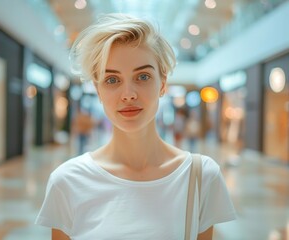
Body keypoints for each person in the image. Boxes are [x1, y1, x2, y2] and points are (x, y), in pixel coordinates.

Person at [35, 14, 236, 240]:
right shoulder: (68, 181)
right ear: (98, 89)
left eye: (142, 76)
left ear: (162, 83)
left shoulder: (201, 176)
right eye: (112, 80)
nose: (128, 95)